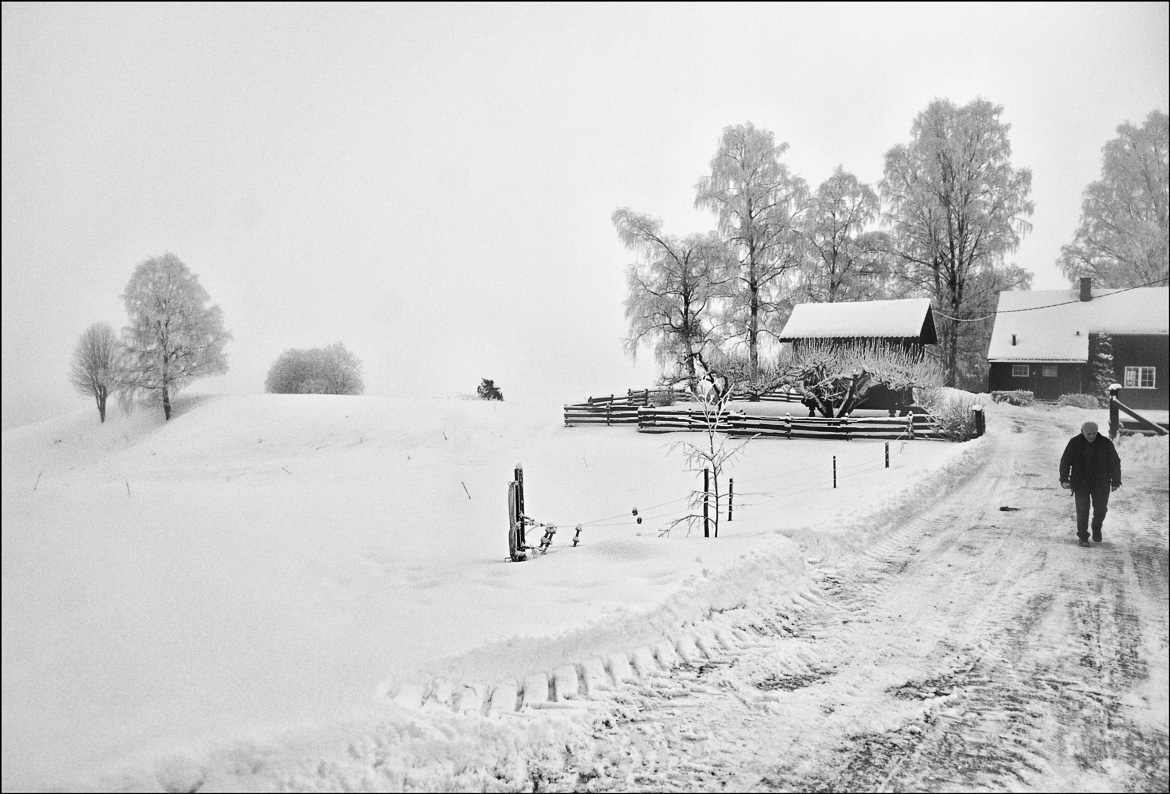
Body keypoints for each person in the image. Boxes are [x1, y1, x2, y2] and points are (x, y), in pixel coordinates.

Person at [1059, 421, 1122, 547]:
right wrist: (1064, 479)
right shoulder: (1075, 443)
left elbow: (1115, 463)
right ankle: (1083, 536)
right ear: (1082, 431)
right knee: (1082, 510)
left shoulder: (1105, 443)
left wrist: (1115, 481)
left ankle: (1096, 527)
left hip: (1101, 481)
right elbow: (1065, 461)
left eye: (1094, 433)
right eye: (1089, 434)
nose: (1092, 436)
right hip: (1081, 481)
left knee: (1100, 509)